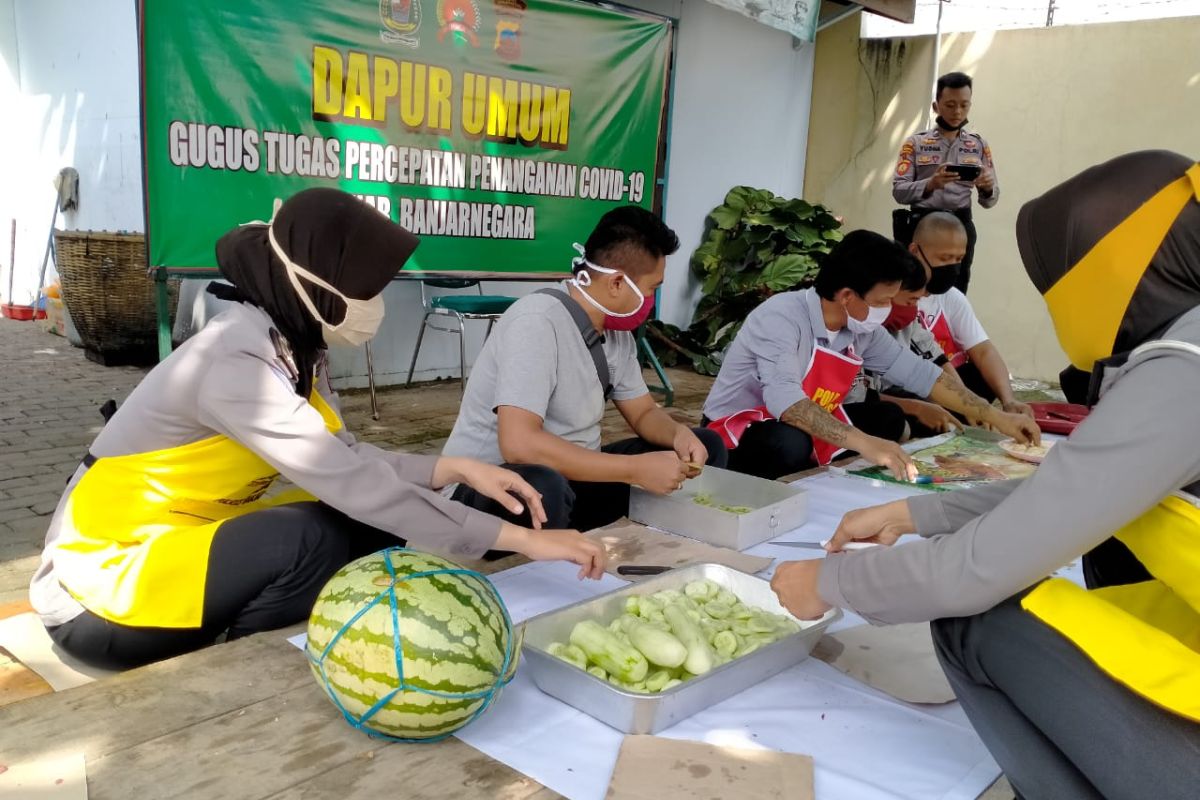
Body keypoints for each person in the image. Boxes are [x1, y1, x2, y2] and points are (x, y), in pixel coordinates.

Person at [29, 189, 606, 671]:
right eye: (368, 289)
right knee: (308, 537)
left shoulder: (295, 346)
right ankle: (244, 668)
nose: (377, 303)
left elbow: (343, 456)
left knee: (351, 521)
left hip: (182, 542)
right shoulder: (235, 362)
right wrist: (525, 540)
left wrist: (448, 468)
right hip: (99, 591)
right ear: (317, 285)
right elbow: (353, 482)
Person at [771, 151, 1200, 800]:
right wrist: (910, 512)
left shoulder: (1183, 365)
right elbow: (1080, 497)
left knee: (977, 616)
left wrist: (826, 581)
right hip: (758, 439)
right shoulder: (784, 317)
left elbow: (972, 571)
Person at [442, 206, 727, 534]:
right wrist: (633, 470)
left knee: (706, 445)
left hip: (572, 482)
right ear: (618, 283)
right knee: (544, 486)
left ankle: (670, 546)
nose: (651, 299)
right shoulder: (536, 322)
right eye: (652, 288)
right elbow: (519, 445)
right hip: (489, 492)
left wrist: (679, 435)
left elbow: (644, 413)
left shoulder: (617, 332)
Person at [701, 230, 1037, 482]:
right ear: (847, 295)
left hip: (807, 419)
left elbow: (922, 375)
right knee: (791, 443)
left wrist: (1000, 417)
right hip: (740, 432)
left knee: (886, 420)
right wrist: (866, 444)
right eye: (881, 302)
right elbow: (788, 404)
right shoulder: (780, 318)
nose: (887, 310)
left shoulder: (861, 328)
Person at [905, 212, 1032, 415]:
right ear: (915, 251)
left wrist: (1008, 401)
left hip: (953, 385)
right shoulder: (893, 299)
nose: (953, 267)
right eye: (945, 258)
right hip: (914, 388)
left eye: (959, 259)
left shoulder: (952, 297)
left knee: (981, 376)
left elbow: (983, 351)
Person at [892, 71, 997, 293]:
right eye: (950, 104)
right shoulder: (915, 143)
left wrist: (987, 188)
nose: (957, 111)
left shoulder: (978, 146)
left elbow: (990, 200)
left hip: (960, 225)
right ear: (936, 106)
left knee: (956, 289)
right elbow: (899, 191)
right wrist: (930, 184)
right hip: (922, 224)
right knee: (912, 287)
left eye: (964, 105)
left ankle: (948, 327)